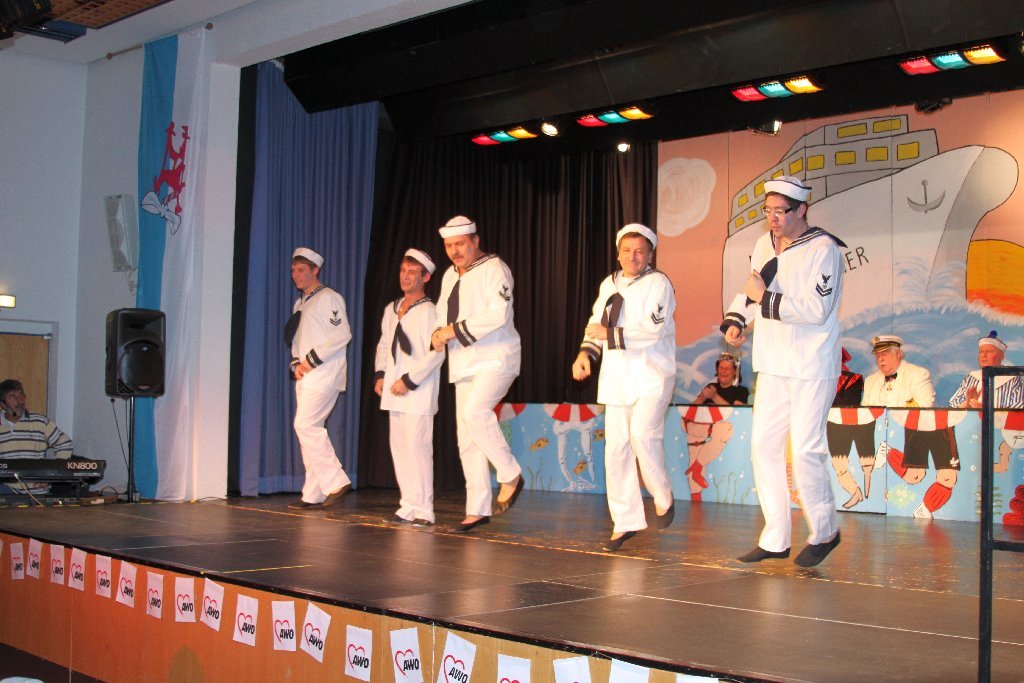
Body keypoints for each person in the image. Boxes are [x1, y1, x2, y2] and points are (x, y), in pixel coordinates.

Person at [720, 175, 845, 568]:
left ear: (801, 210)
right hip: (773, 363)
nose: (773, 218)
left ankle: (825, 531)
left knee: (806, 449)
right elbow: (752, 289)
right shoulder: (764, 245)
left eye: (781, 211)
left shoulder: (824, 249)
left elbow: (816, 310)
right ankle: (775, 537)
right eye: (768, 211)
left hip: (811, 363)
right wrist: (737, 319)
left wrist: (763, 299)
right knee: (764, 448)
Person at [572, 223, 676, 551]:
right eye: (627, 251)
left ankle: (662, 494)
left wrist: (609, 335)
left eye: (640, 251)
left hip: (652, 374)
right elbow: (596, 323)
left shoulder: (659, 284)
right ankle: (625, 521)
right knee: (616, 450)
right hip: (617, 377)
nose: (633, 257)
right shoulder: (609, 284)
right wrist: (585, 354)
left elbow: (651, 331)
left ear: (650, 255)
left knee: (642, 435)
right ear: (618, 254)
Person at [431, 216, 524, 533]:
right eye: (449, 246)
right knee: (467, 438)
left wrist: (452, 331)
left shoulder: (495, 268)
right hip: (463, 360)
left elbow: (499, 314)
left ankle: (510, 473)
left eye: (460, 244)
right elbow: (442, 313)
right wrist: (437, 333)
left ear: (475, 241)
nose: (454, 251)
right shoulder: (449, 275)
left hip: (495, 356)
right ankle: (477, 509)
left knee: (475, 413)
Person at [373, 249, 444, 526]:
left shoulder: (431, 311)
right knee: (400, 448)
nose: (405, 276)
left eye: (412, 272)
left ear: (425, 277)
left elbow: (437, 353)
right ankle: (408, 504)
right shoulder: (391, 309)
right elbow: (384, 344)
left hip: (418, 390)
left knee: (418, 448)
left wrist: (410, 380)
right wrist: (381, 374)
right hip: (394, 389)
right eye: (403, 271)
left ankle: (424, 509)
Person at [285, 247, 352, 510]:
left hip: (325, 373)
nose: (296, 275)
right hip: (306, 376)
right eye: (293, 270)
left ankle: (336, 480)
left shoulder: (329, 298)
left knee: (305, 425)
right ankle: (312, 493)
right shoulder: (300, 303)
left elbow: (341, 335)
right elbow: (296, 341)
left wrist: (310, 361)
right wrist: (296, 363)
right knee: (309, 432)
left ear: (315, 271)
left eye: (301, 270)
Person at [684, 353, 747, 501]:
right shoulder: (710, 387)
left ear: (734, 371)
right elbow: (691, 410)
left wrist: (714, 397)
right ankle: (696, 496)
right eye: (721, 368)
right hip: (699, 427)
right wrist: (702, 397)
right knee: (695, 443)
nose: (723, 371)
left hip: (718, 427)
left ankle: (696, 467)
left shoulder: (741, 391)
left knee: (724, 430)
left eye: (727, 368)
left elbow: (737, 413)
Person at [0, 379, 74, 459]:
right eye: (13, 397)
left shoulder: (40, 422)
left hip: (34, 468)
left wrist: (58, 465)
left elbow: (65, 444)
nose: (20, 401)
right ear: (3, 404)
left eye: (21, 395)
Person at [949, 330, 1024, 409]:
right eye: (981, 352)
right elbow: (953, 404)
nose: (984, 355)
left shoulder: (1014, 379)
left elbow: (1018, 407)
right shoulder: (971, 377)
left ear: (1001, 356)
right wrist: (966, 404)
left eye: (989, 352)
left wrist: (987, 410)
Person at [862, 335, 935, 408]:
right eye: (878, 356)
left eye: (884, 354)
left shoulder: (918, 375)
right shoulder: (870, 381)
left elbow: (925, 407)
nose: (880, 359)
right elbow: (864, 412)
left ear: (898, 354)